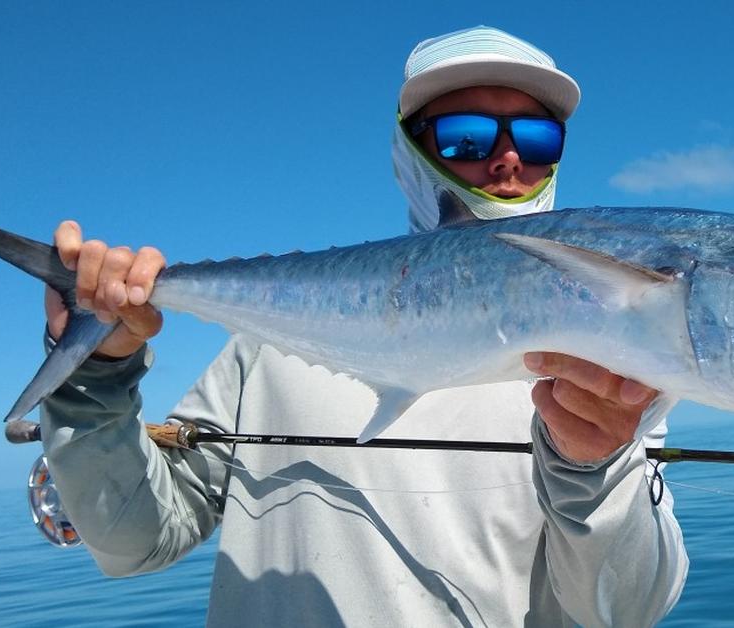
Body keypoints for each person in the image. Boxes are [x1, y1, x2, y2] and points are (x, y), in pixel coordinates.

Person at [40, 26, 688, 627]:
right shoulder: (272, 344)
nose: (508, 161)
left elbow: (624, 610)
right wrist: (96, 377)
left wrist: (595, 467)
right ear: (410, 151)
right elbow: (136, 539)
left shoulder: (612, 366)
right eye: (466, 137)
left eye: (537, 139)